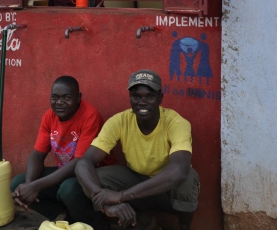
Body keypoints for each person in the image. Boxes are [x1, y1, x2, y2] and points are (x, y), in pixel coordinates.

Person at [75, 70, 200, 230]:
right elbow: (84, 163)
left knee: (188, 178)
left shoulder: (176, 123)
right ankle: (142, 221)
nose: (142, 102)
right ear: (130, 98)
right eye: (136, 96)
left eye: (150, 96)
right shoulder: (119, 121)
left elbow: (179, 169)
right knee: (94, 176)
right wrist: (106, 205)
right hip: (136, 180)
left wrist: (121, 196)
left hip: (168, 189)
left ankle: (184, 227)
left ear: (160, 98)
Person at [11, 76, 115, 228]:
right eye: (55, 97)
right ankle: (67, 216)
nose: (59, 103)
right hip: (65, 172)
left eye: (67, 98)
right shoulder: (49, 116)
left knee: (68, 189)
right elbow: (37, 155)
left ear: (78, 98)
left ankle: (97, 224)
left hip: (94, 174)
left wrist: (36, 186)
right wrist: (29, 186)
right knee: (17, 184)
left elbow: (80, 163)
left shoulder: (90, 116)